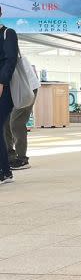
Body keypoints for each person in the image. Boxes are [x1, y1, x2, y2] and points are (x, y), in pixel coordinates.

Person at [4, 60, 39, 170]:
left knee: (16, 122)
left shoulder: (9, 52)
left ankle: (22, 158)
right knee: (4, 119)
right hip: (12, 88)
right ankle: (10, 155)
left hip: (27, 87)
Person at [0, 11, 18, 184]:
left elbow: (10, 59)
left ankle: (4, 171)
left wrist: (2, 82)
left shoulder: (8, 33)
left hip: (4, 89)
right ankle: (5, 171)